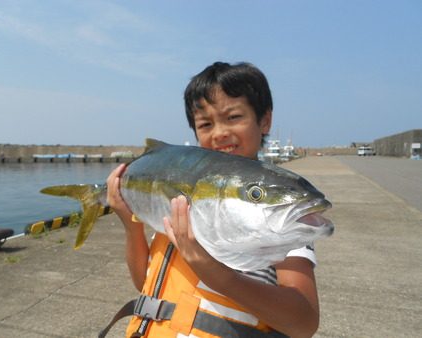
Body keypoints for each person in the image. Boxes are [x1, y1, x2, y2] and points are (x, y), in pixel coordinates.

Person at [106, 62, 319, 338]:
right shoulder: (180, 201)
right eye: (205, 124)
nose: (219, 133)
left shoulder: (277, 213)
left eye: (233, 117)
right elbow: (144, 283)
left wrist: (217, 274)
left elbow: (303, 323)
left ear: (264, 120)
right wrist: (131, 225)